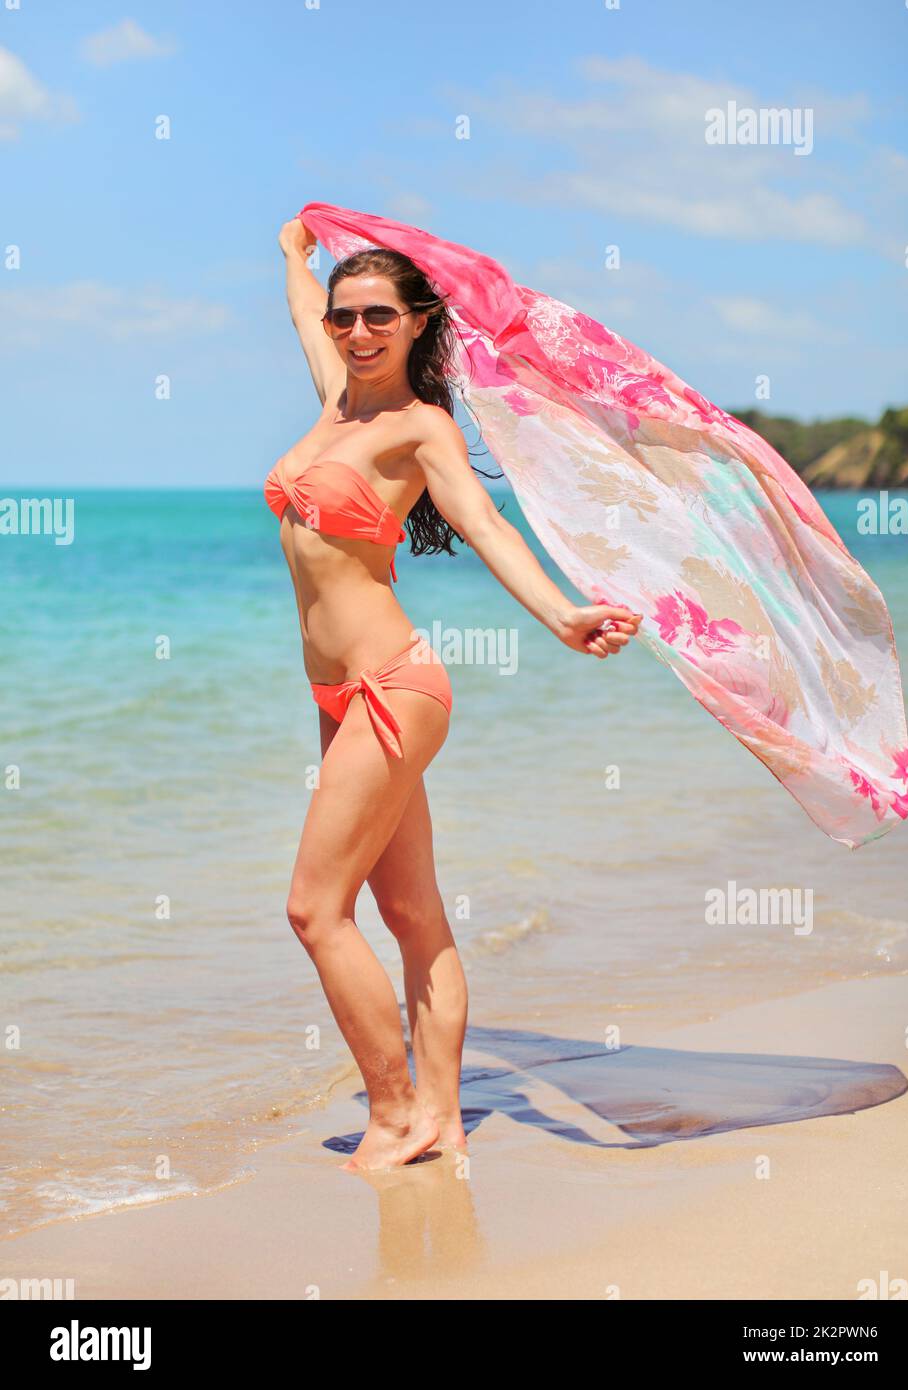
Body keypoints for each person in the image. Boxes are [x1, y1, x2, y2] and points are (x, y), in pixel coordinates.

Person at [267, 214, 642, 1172]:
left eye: (379, 317)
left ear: (420, 322)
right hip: (336, 698)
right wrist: (292, 258)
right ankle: (444, 1112)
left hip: (397, 687)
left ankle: (394, 1115)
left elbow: (481, 523)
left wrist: (560, 615)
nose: (357, 333)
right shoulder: (332, 402)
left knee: (315, 909)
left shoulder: (417, 427)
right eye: (347, 317)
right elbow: (307, 311)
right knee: (412, 912)